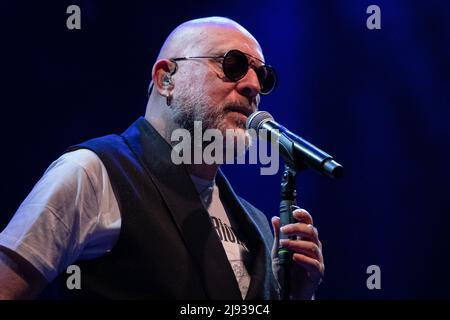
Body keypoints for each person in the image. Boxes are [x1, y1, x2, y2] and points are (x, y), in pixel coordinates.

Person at [0, 16, 324, 300]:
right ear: (166, 79)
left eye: (263, 76)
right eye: (233, 64)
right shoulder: (93, 173)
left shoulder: (257, 225)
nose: (253, 86)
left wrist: (296, 294)